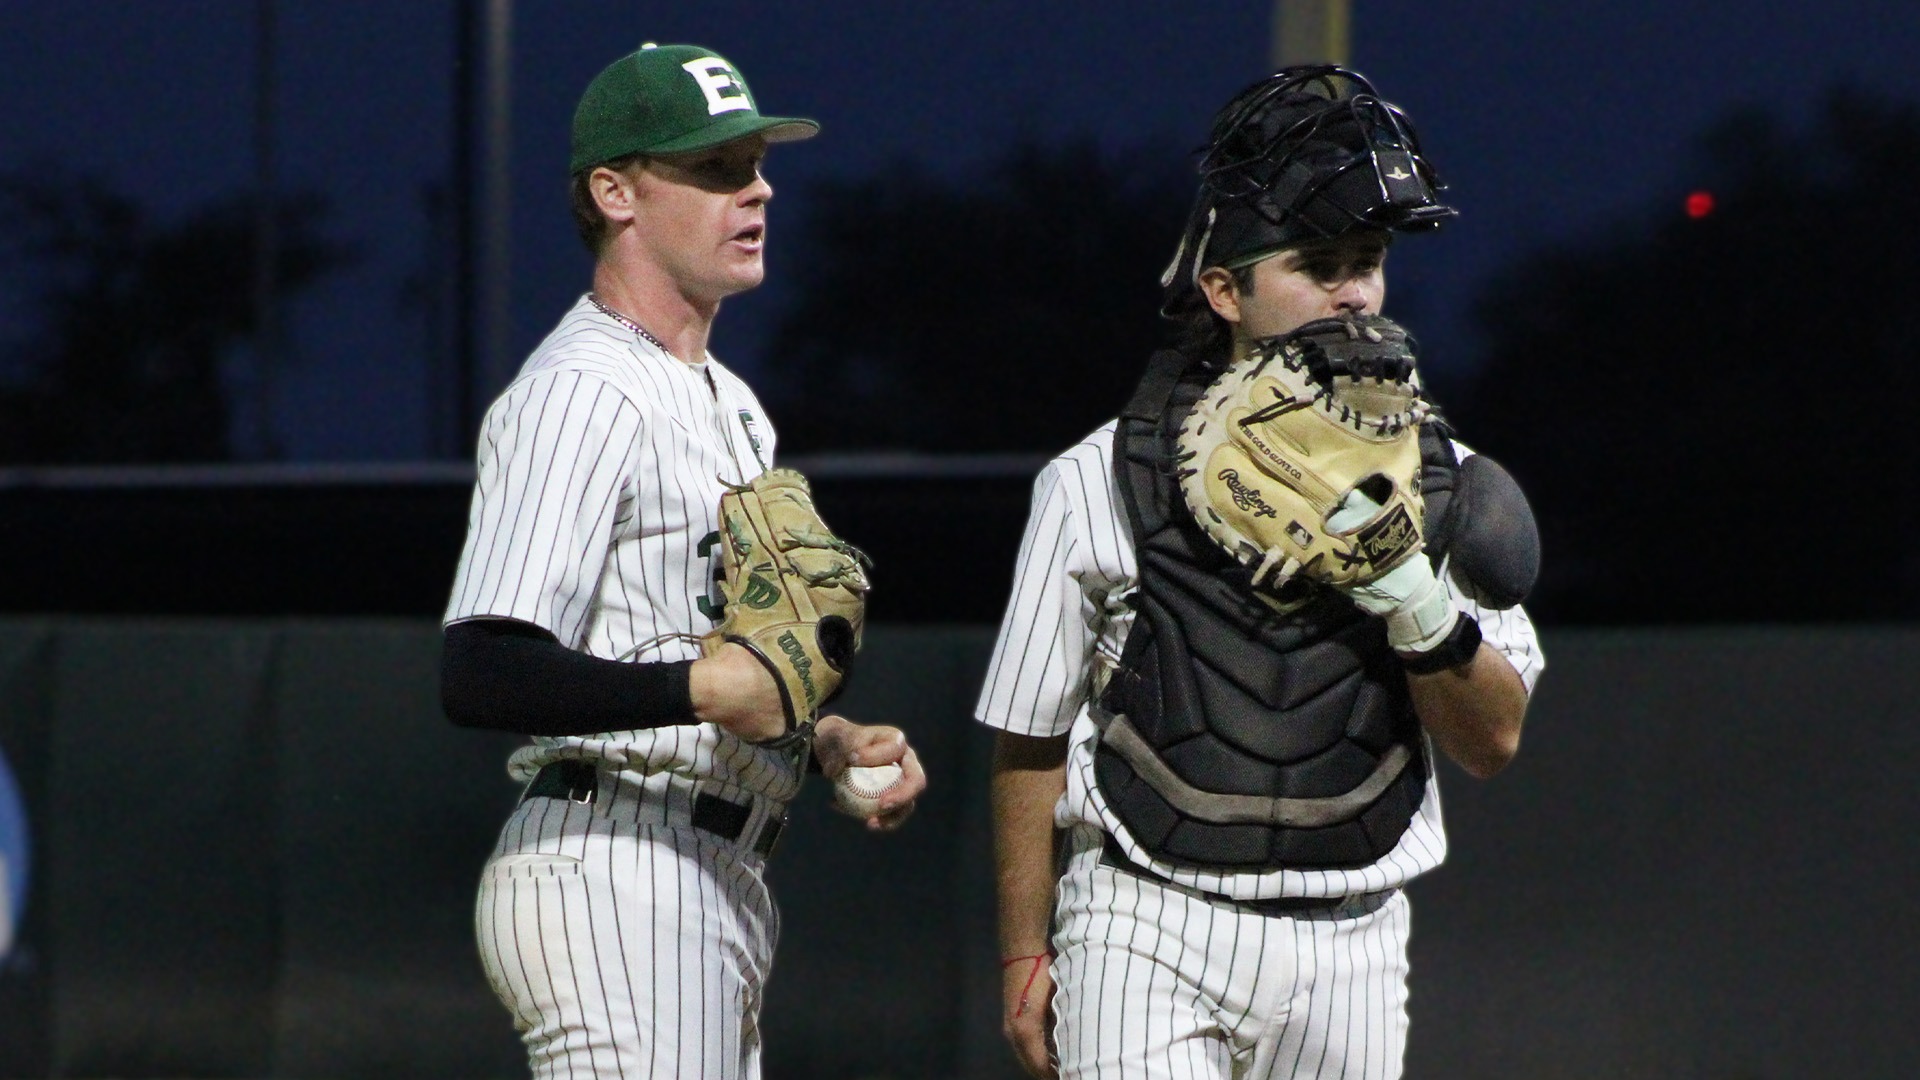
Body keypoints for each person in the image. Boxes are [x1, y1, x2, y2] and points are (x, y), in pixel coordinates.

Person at [977, 66, 1544, 1079]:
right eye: (1317, 263)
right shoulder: (1098, 476)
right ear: (1225, 289)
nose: (1354, 291)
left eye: (1367, 260)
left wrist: (1412, 593)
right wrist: (1026, 950)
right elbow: (1028, 739)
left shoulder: (1439, 477)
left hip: (1354, 940)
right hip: (1145, 922)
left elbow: (1493, 739)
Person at [438, 42, 926, 1079]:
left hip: (716, 872)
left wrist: (823, 735)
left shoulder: (732, 404)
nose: (756, 191)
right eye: (713, 171)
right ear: (614, 191)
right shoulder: (581, 391)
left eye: (753, 165)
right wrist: (708, 689)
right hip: (610, 859)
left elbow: (696, 648)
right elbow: (482, 668)